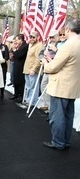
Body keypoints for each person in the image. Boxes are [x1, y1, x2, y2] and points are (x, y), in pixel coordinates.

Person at [41, 19, 80, 150]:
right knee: (68, 116)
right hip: (73, 87)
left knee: (57, 117)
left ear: (68, 30)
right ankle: (65, 141)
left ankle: (58, 142)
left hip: (60, 87)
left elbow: (52, 68)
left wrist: (46, 63)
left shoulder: (68, 46)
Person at [23, 31, 44, 106]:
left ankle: (32, 101)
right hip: (27, 69)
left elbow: (38, 59)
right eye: (30, 37)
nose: (31, 38)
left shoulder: (39, 46)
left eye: (33, 37)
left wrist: (34, 69)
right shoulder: (31, 45)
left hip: (33, 70)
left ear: (37, 37)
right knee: (28, 87)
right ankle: (29, 100)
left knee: (33, 87)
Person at [9, 34, 28, 103]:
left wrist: (15, 50)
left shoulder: (25, 46)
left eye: (17, 40)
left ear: (21, 39)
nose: (16, 41)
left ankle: (21, 95)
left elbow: (19, 55)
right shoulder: (18, 46)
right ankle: (16, 94)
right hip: (16, 64)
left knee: (20, 81)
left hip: (21, 65)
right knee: (15, 80)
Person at [0, 32, 9, 99]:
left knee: (3, 79)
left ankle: (2, 92)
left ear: (1, 39)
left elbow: (6, 57)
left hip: (2, 66)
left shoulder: (4, 47)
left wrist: (1, 60)